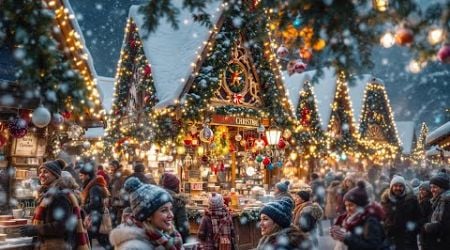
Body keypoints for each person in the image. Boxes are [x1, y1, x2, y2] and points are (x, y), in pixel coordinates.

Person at [19, 160, 90, 250]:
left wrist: (35, 229)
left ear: (55, 175)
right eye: (40, 172)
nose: (41, 175)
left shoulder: (59, 196)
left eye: (46, 172)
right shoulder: (49, 194)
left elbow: (61, 226)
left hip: (56, 246)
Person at [109, 177, 183, 249]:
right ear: (148, 216)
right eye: (164, 210)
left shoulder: (166, 235)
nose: (171, 215)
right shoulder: (132, 247)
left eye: (171, 209)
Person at [331, 181, 386, 250]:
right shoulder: (350, 218)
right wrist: (337, 233)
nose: (348, 208)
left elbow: (372, 246)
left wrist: (347, 238)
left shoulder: (370, 221)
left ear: (360, 205)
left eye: (351, 205)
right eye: (346, 205)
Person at [381, 175, 421, 250]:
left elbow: (419, 219)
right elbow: (382, 219)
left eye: (400, 186)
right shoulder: (385, 202)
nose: (398, 188)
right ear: (391, 187)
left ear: (404, 187)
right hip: (391, 241)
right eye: (395, 186)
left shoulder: (411, 201)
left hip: (408, 242)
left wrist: (412, 229)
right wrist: (387, 228)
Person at [79, 163, 111, 249]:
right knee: (100, 238)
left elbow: (94, 203)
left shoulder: (94, 187)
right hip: (95, 215)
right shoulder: (93, 185)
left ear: (87, 175)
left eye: (81, 175)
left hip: (95, 216)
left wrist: (82, 208)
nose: (80, 177)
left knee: (94, 238)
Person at [422, 173, 450, 250]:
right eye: (431, 187)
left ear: (443, 188)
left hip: (443, 243)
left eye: (435, 187)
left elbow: (445, 225)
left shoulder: (446, 201)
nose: (432, 190)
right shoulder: (437, 200)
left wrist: (429, 227)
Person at [161, 173, 189, 242]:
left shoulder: (157, 198)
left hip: (158, 238)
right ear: (175, 186)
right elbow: (183, 225)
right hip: (173, 239)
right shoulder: (178, 201)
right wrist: (183, 241)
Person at [108, 160, 131, 226]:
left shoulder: (120, 175)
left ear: (116, 166)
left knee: (117, 222)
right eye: (110, 167)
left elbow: (121, 189)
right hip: (116, 202)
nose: (110, 169)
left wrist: (118, 199)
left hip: (118, 203)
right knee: (115, 222)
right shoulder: (116, 175)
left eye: (112, 167)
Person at [417, 181, 433, 250]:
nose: (421, 191)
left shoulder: (427, 202)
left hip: (426, 231)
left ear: (429, 191)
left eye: (424, 190)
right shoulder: (421, 201)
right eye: (420, 189)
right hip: (423, 231)